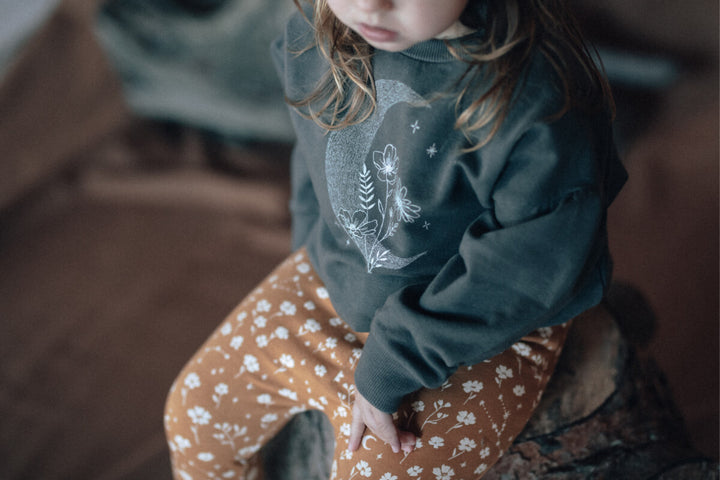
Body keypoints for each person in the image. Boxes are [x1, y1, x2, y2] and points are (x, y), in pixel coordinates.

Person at [163, 0, 628, 478]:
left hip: (472, 331)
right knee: (192, 413)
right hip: (334, 278)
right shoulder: (315, 32)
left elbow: (521, 271)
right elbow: (313, 156)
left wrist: (394, 362)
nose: (370, 4)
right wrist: (311, 252)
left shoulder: (536, 102)